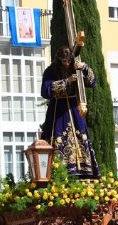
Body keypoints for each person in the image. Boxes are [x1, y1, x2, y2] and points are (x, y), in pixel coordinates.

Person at [40, 45, 100, 178]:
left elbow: (92, 82)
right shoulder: (50, 71)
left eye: (68, 61)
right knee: (58, 136)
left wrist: (85, 68)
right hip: (58, 110)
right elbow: (45, 90)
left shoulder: (77, 67)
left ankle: (84, 170)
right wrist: (66, 81)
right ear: (59, 60)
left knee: (80, 138)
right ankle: (58, 169)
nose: (67, 64)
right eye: (64, 61)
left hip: (75, 108)